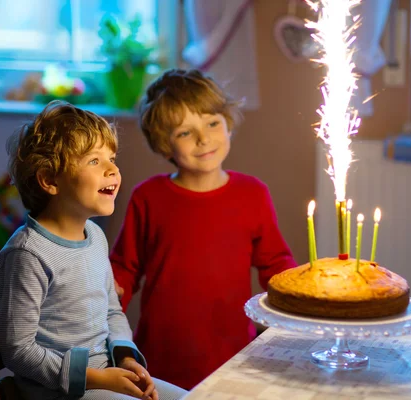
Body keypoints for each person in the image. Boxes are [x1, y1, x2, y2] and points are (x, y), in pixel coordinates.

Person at [111, 69, 297, 390]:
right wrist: (103, 305)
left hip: (233, 355)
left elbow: (275, 264)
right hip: (159, 358)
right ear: (164, 144)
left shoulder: (253, 193)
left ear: (228, 124)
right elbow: (124, 269)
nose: (203, 138)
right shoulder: (148, 197)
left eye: (212, 123)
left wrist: (299, 296)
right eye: (185, 132)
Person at [0, 101, 187, 400]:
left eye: (111, 157)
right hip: (60, 392)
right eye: (94, 161)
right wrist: (97, 378)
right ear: (49, 180)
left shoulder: (95, 236)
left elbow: (111, 309)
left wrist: (126, 359)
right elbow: (19, 351)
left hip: (107, 375)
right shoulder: (27, 254)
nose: (113, 169)